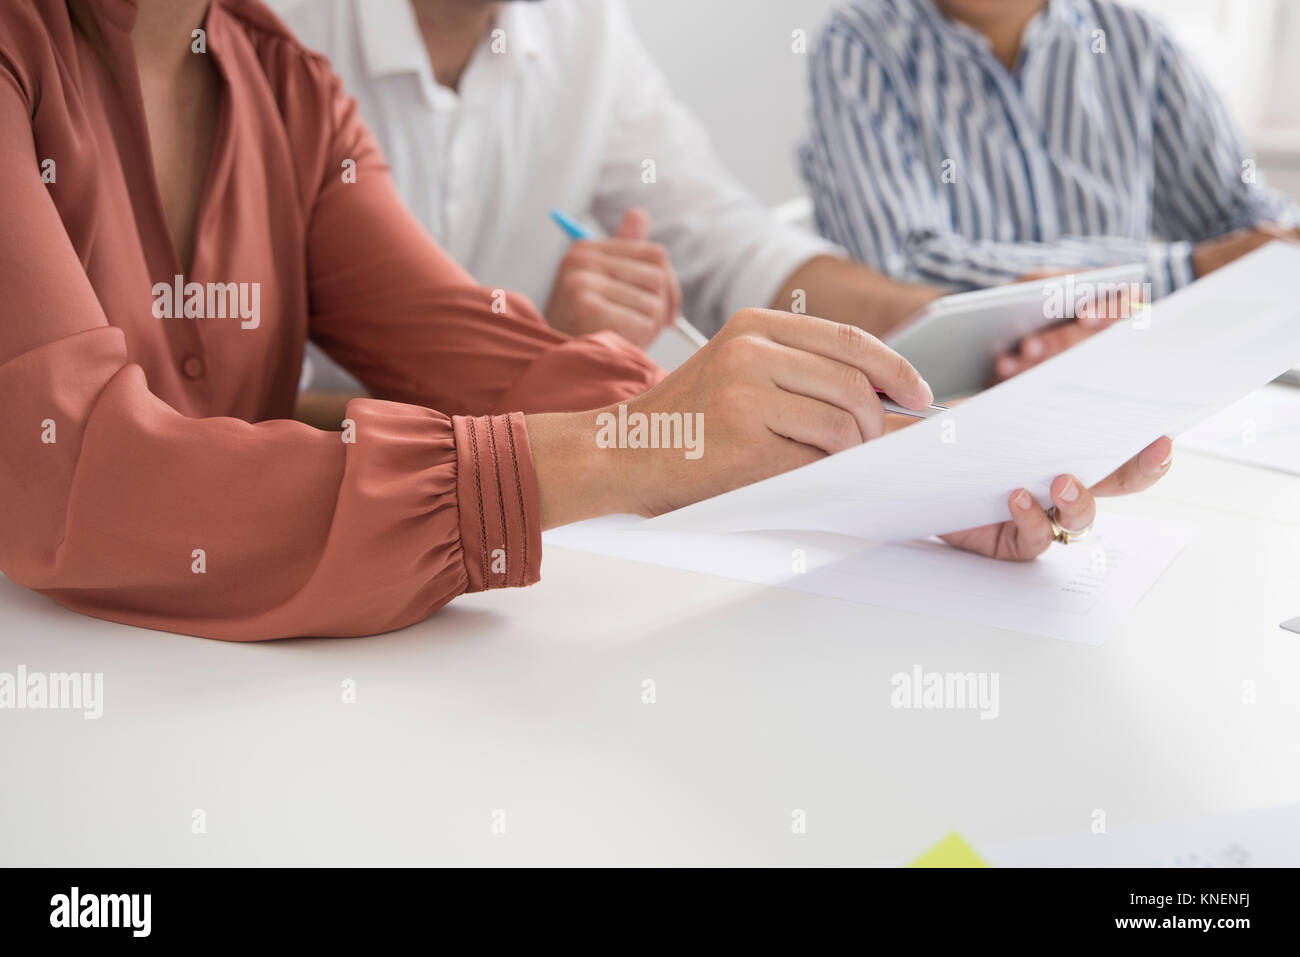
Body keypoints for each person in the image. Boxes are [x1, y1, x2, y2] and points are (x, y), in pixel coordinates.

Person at [0, 0, 1171, 642]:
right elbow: (77, 479)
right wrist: (617, 452)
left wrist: (903, 470)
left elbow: (480, 351)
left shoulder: (286, 84)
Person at [269, 0, 948, 400]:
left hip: (534, 497)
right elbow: (250, 401)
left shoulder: (581, 27)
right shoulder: (274, 37)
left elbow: (726, 240)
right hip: (341, 498)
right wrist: (540, 359)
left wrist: (945, 321)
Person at [800, 0, 1300, 375]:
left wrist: (1275, 244)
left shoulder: (1133, 38)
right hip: (946, 397)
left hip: (1123, 375)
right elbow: (906, 264)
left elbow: (1239, 218)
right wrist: (1180, 271)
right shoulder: (859, 44)